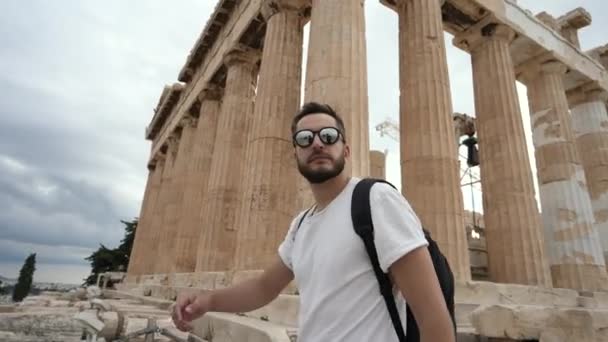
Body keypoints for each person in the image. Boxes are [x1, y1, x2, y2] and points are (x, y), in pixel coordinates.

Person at [172, 102, 455, 342]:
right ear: (295, 153)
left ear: (346, 150)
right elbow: (263, 288)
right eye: (305, 139)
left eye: (329, 136)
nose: (318, 143)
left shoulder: (376, 200)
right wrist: (208, 301)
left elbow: (432, 316)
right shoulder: (301, 224)